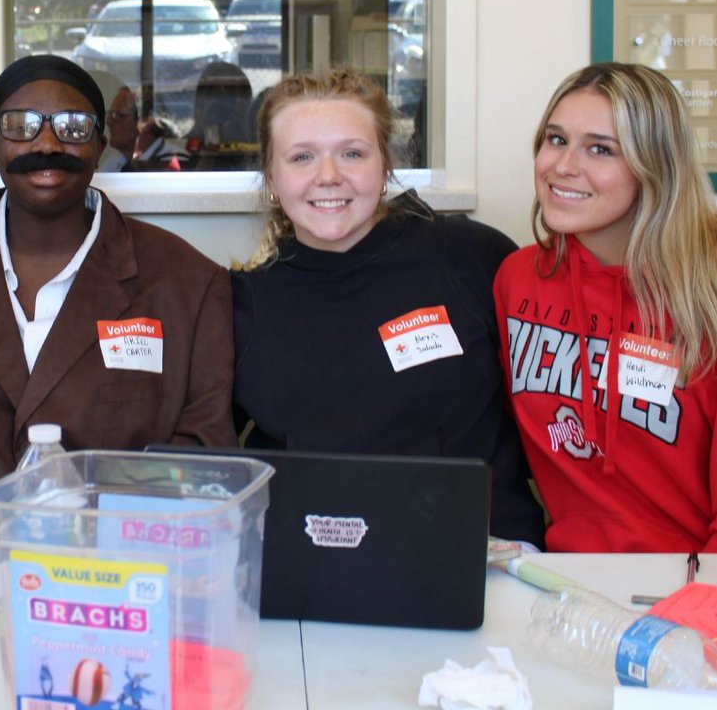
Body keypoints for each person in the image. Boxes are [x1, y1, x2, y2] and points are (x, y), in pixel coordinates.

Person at [0, 54, 237, 546]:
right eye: (20, 125)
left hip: (119, 575)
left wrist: (98, 540)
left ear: (99, 143)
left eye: (73, 126)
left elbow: (201, 454)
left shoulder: (189, 285)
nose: (47, 142)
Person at [232, 70, 545, 545]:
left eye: (352, 153)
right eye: (302, 157)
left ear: (384, 166)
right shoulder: (242, 303)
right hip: (321, 565)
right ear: (272, 178)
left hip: (486, 554)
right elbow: (208, 467)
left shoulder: (469, 256)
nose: (329, 176)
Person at [495, 62, 717, 553]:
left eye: (601, 149)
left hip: (695, 586)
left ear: (655, 166)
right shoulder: (519, 280)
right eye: (556, 139)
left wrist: (687, 615)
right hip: (567, 584)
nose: (564, 166)